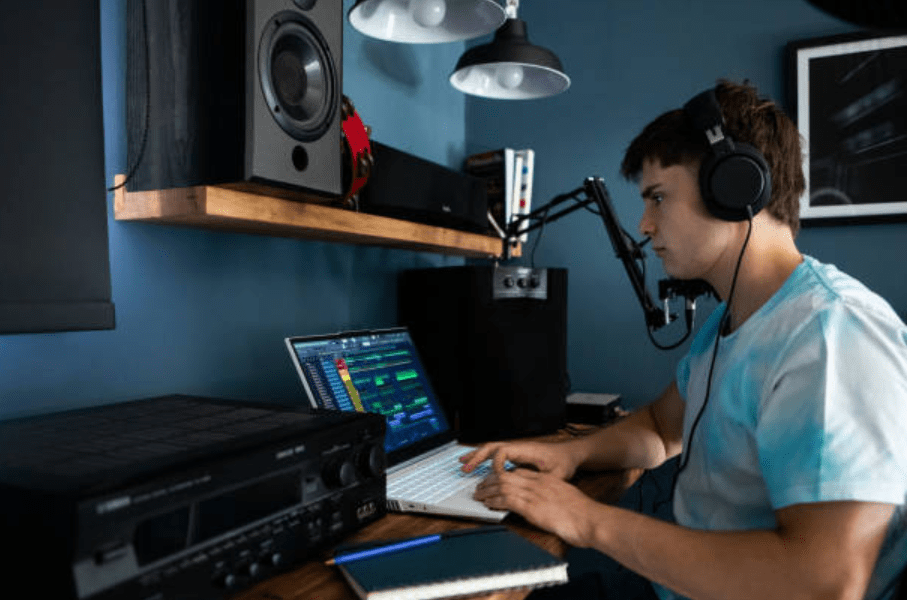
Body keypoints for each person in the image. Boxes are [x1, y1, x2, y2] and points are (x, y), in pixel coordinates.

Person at [459, 79, 907, 600]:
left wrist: (586, 519)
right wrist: (572, 455)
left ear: (734, 188)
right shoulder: (733, 319)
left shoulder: (831, 335)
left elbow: (824, 583)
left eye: (658, 197)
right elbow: (660, 428)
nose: (644, 225)